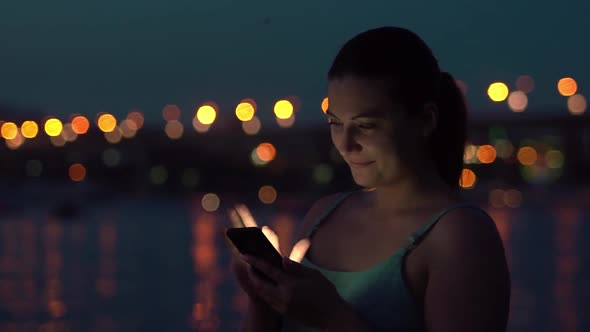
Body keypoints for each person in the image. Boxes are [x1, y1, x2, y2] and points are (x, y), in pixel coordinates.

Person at [226, 26, 511, 332]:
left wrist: (331, 317)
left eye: (366, 126)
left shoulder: (459, 236)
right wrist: (262, 301)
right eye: (336, 123)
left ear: (425, 121)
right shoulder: (324, 215)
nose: (346, 144)